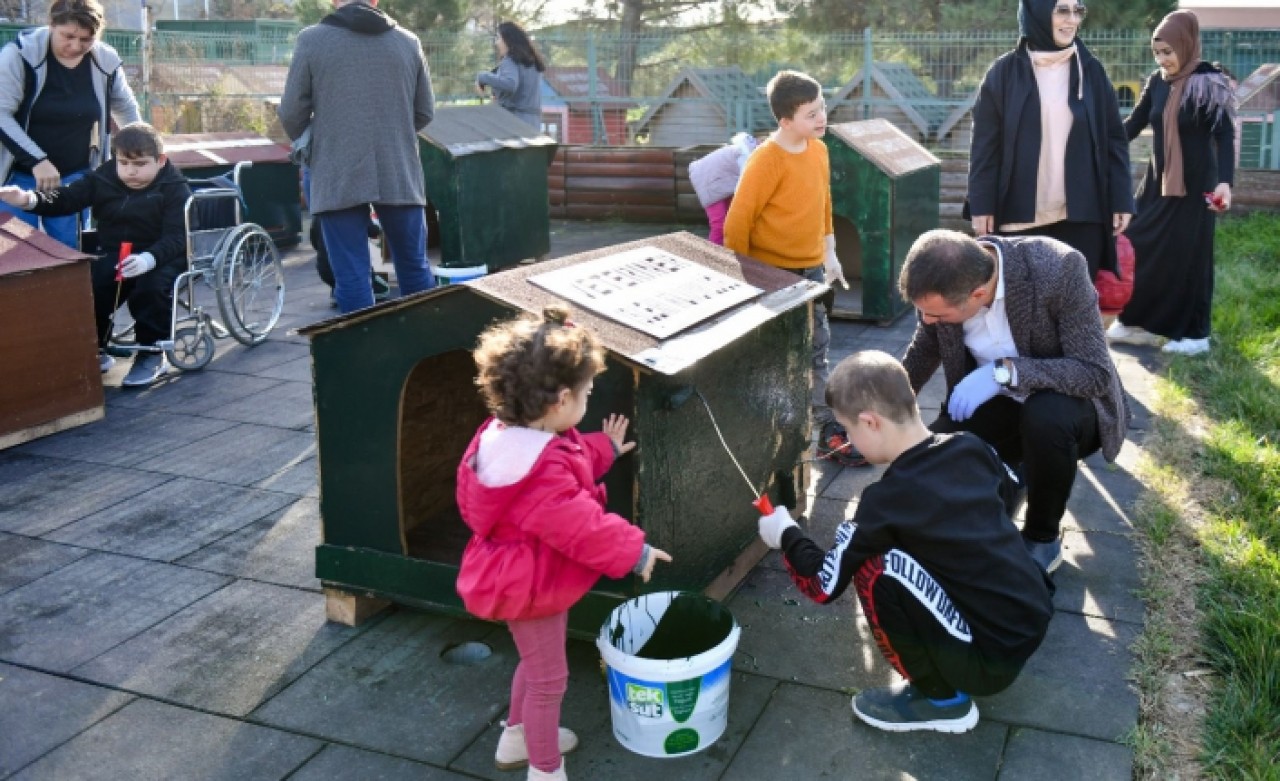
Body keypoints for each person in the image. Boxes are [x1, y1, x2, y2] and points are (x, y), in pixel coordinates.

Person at [758, 350, 1054, 734]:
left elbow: (823, 585)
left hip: (987, 662)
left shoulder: (884, 503)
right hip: (1028, 621)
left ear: (870, 422)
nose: (848, 440)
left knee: (878, 568)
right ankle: (964, 656)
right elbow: (1010, 493)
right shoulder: (970, 446)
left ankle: (940, 700)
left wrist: (785, 534)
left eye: (848, 430)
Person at [455, 305, 672, 781]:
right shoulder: (539, 474)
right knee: (550, 681)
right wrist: (635, 552)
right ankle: (545, 770)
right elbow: (582, 523)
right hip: (530, 585)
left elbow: (567, 458)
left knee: (534, 667)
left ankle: (516, 736)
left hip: (518, 574)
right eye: (587, 393)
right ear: (558, 401)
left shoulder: (504, 436)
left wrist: (605, 450)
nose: (589, 400)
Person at [897, 229, 1129, 573]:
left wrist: (1005, 373)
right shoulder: (945, 283)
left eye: (938, 316)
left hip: (1070, 407)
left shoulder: (1059, 268)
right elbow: (922, 353)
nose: (928, 321)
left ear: (978, 294)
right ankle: (1012, 482)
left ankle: (1042, 537)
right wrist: (886, 406)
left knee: (1045, 416)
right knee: (936, 456)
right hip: (1001, 405)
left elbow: (1094, 373)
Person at [723, 70, 859, 467]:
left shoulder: (819, 150)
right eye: (811, 113)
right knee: (772, 354)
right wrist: (744, 280)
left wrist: (829, 253)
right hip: (770, 274)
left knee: (817, 348)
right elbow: (737, 222)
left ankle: (828, 429)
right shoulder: (766, 160)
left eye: (823, 108)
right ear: (785, 121)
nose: (821, 118)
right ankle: (766, 432)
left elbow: (823, 205)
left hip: (810, 272)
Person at [0, 122, 191, 388]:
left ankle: (151, 353)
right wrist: (28, 200)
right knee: (92, 285)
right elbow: (67, 198)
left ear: (161, 161)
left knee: (150, 289)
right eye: (123, 163)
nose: (130, 171)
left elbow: (177, 237)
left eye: (140, 164)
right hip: (117, 251)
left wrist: (149, 258)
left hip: (163, 254)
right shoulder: (104, 177)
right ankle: (94, 347)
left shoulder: (174, 187)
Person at [279, 0, 436, 315]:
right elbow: (424, 112)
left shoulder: (312, 40)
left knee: (352, 275)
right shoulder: (408, 42)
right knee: (414, 267)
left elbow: (291, 113)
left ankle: (364, 357)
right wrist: (391, 134)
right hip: (398, 168)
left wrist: (324, 139)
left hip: (337, 170)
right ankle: (425, 350)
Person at [967, 0, 1133, 280]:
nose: (1072, 20)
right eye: (1062, 10)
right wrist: (981, 204)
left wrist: (1122, 198)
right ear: (1038, 12)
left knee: (1074, 305)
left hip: (1081, 214)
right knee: (1022, 307)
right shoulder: (1003, 73)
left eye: (1077, 10)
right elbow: (985, 146)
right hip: (1018, 214)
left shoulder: (1091, 71)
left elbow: (1115, 138)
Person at [1106, 10, 1235, 357]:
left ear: (1185, 43)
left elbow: (1224, 135)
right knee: (1134, 241)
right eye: (1157, 52)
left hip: (1196, 187)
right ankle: (1135, 322)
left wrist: (1225, 183)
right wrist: (1100, 145)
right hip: (1156, 183)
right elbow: (1133, 124)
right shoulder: (1157, 81)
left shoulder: (1210, 80)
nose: (1163, 59)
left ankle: (1195, 334)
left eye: (1168, 51)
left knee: (1189, 256)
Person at [0, 0, 140, 248]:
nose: (76, 46)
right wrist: (37, 161)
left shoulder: (105, 60)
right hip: (18, 176)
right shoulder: (19, 54)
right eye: (68, 36)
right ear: (51, 24)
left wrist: (142, 149)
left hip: (74, 178)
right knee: (17, 253)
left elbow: (126, 109)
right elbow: (2, 114)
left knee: (69, 253)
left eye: (86, 39)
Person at [688, 131, 757, 245]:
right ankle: (712, 255)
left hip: (719, 180)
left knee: (732, 219)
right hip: (708, 181)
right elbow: (746, 184)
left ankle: (727, 249)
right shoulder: (745, 156)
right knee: (719, 224)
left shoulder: (744, 150)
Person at [476, 21, 545, 129]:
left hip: (514, 124)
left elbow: (510, 84)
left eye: (499, 38)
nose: (496, 43)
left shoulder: (510, 60)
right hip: (534, 124)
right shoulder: (533, 62)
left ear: (508, 40)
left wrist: (482, 77)